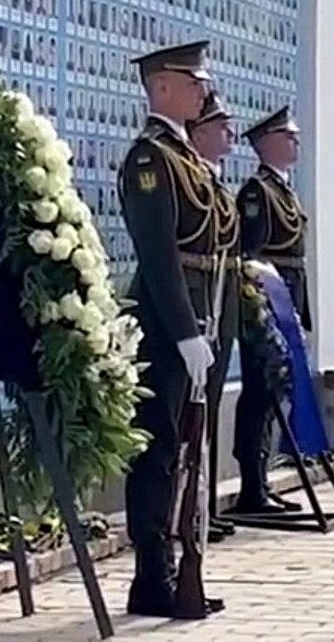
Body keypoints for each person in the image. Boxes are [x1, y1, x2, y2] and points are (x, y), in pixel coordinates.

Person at [118, 40, 224, 618]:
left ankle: (180, 564)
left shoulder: (185, 157)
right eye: (192, 82)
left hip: (196, 316)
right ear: (161, 86)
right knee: (158, 449)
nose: (202, 91)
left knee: (187, 449)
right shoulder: (148, 160)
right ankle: (151, 575)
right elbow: (158, 254)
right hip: (164, 324)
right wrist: (184, 330)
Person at [232, 106, 308, 514]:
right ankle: (251, 486)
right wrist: (259, 312)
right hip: (264, 306)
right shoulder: (256, 193)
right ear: (267, 143)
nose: (295, 142)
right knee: (260, 394)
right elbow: (252, 257)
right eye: (288, 136)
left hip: (287, 300)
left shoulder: (282, 189)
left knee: (276, 392)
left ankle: (262, 481)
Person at [184, 91, 240, 542]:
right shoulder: (185, 176)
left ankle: (203, 504)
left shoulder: (216, 183)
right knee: (187, 415)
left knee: (210, 405)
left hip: (219, 306)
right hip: (193, 306)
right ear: (199, 133)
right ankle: (186, 509)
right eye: (222, 127)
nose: (230, 134)